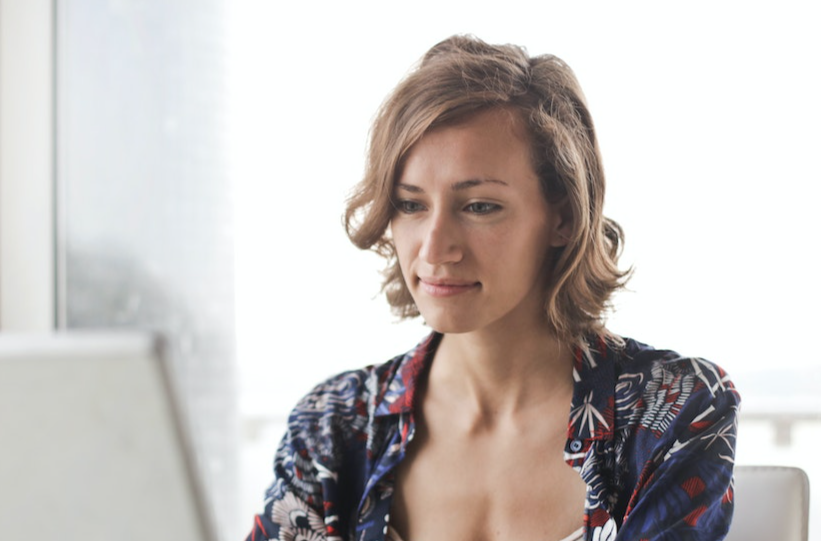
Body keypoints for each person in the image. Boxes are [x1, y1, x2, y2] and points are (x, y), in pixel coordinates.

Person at [245, 35, 740, 541]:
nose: (435, 249)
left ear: (563, 217)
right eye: (411, 205)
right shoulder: (331, 428)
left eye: (479, 206)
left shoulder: (674, 410)